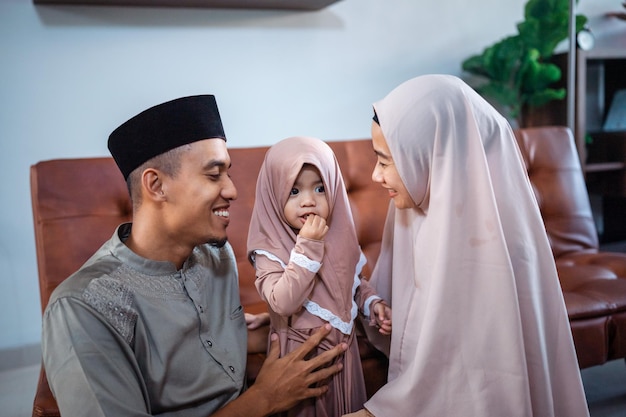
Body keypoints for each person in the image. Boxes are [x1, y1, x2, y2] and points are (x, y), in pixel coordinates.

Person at [41, 95, 348, 417]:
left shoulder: (216, 257)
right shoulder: (82, 307)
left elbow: (207, 346)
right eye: (214, 175)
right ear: (156, 185)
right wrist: (263, 400)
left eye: (228, 173)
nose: (231, 190)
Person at [346, 74, 590, 417]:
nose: (375, 175)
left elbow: (464, 378)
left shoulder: (489, 249)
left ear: (430, 155)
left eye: (385, 161)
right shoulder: (415, 207)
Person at [247, 136, 392, 417]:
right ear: (274, 193)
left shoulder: (338, 237)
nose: (309, 201)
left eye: (319, 188)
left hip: (343, 360)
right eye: (294, 191)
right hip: (302, 365)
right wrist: (308, 247)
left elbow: (351, 283)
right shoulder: (270, 250)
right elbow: (283, 302)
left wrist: (372, 303)